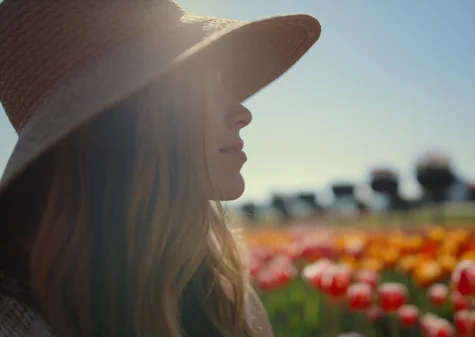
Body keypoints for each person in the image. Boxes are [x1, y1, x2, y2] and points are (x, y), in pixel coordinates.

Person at [0, 1, 321, 336]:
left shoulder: (221, 289)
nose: (243, 113)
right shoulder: (19, 323)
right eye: (204, 89)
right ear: (121, 123)